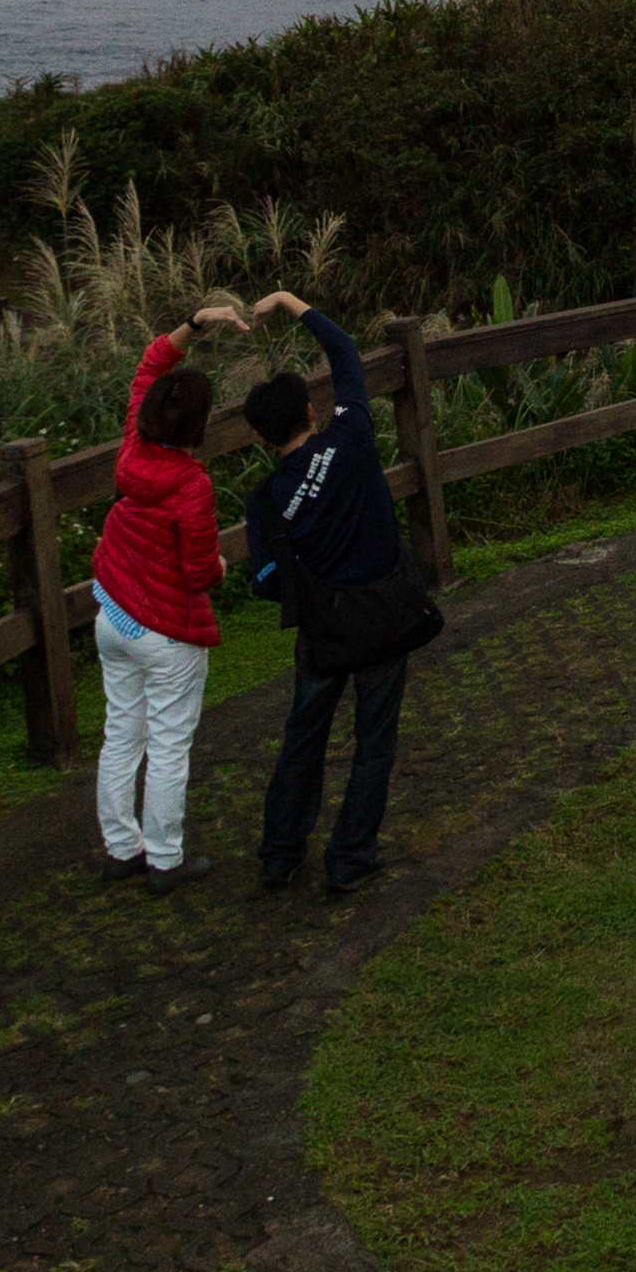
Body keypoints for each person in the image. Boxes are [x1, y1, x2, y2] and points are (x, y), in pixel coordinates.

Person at [245, 300, 419, 894]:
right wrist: (292, 304)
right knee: (375, 738)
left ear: (261, 438)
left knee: (304, 737)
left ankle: (281, 853)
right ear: (312, 411)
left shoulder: (266, 500)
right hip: (383, 618)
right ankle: (350, 855)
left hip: (324, 632)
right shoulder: (352, 436)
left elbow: (266, 579)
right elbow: (344, 350)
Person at [90, 307, 240, 888]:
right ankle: (165, 859)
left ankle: (121, 848)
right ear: (197, 429)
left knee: (121, 734)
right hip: (166, 635)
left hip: (114, 617)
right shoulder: (190, 484)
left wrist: (192, 324)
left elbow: (146, 369)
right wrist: (223, 565)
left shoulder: (132, 449)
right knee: (170, 744)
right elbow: (199, 571)